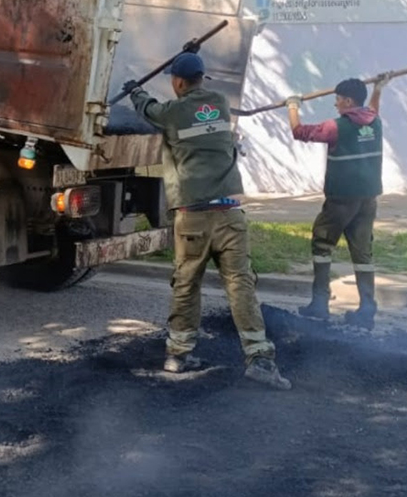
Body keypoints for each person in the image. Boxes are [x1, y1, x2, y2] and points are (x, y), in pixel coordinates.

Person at [124, 52, 290, 390]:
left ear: (178, 82)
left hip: (193, 217)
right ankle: (259, 359)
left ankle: (177, 355)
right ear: (203, 79)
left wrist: (134, 90)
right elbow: (198, 113)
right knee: (240, 283)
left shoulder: (173, 112)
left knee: (187, 283)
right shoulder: (220, 103)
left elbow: (148, 109)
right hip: (229, 214)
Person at [286, 74, 389, 329]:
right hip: (368, 199)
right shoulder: (375, 122)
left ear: (348, 101)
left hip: (341, 200)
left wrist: (293, 106)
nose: (336, 104)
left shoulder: (335, 127)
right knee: (363, 252)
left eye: (338, 99)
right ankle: (367, 309)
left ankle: (320, 304)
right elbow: (372, 109)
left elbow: (299, 132)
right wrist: (378, 89)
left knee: (322, 243)